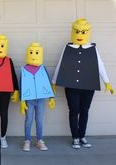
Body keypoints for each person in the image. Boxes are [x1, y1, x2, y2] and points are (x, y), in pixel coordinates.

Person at [52, 18, 114, 149]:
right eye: (77, 31)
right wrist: (53, 82)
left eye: (83, 32)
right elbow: (61, 64)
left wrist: (107, 82)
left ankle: (82, 136)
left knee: (84, 110)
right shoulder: (68, 47)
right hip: (71, 86)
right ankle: (75, 137)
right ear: (73, 32)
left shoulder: (92, 48)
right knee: (74, 110)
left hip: (88, 85)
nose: (80, 35)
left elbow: (100, 65)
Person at [20, 43, 55, 151]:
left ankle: (40, 140)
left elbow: (47, 83)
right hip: (29, 100)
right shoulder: (24, 69)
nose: (34, 55)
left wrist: (51, 98)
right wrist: (22, 101)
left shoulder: (43, 68)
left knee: (39, 120)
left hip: (40, 99)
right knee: (28, 120)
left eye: (36, 52)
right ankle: (27, 141)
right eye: (32, 52)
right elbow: (22, 84)